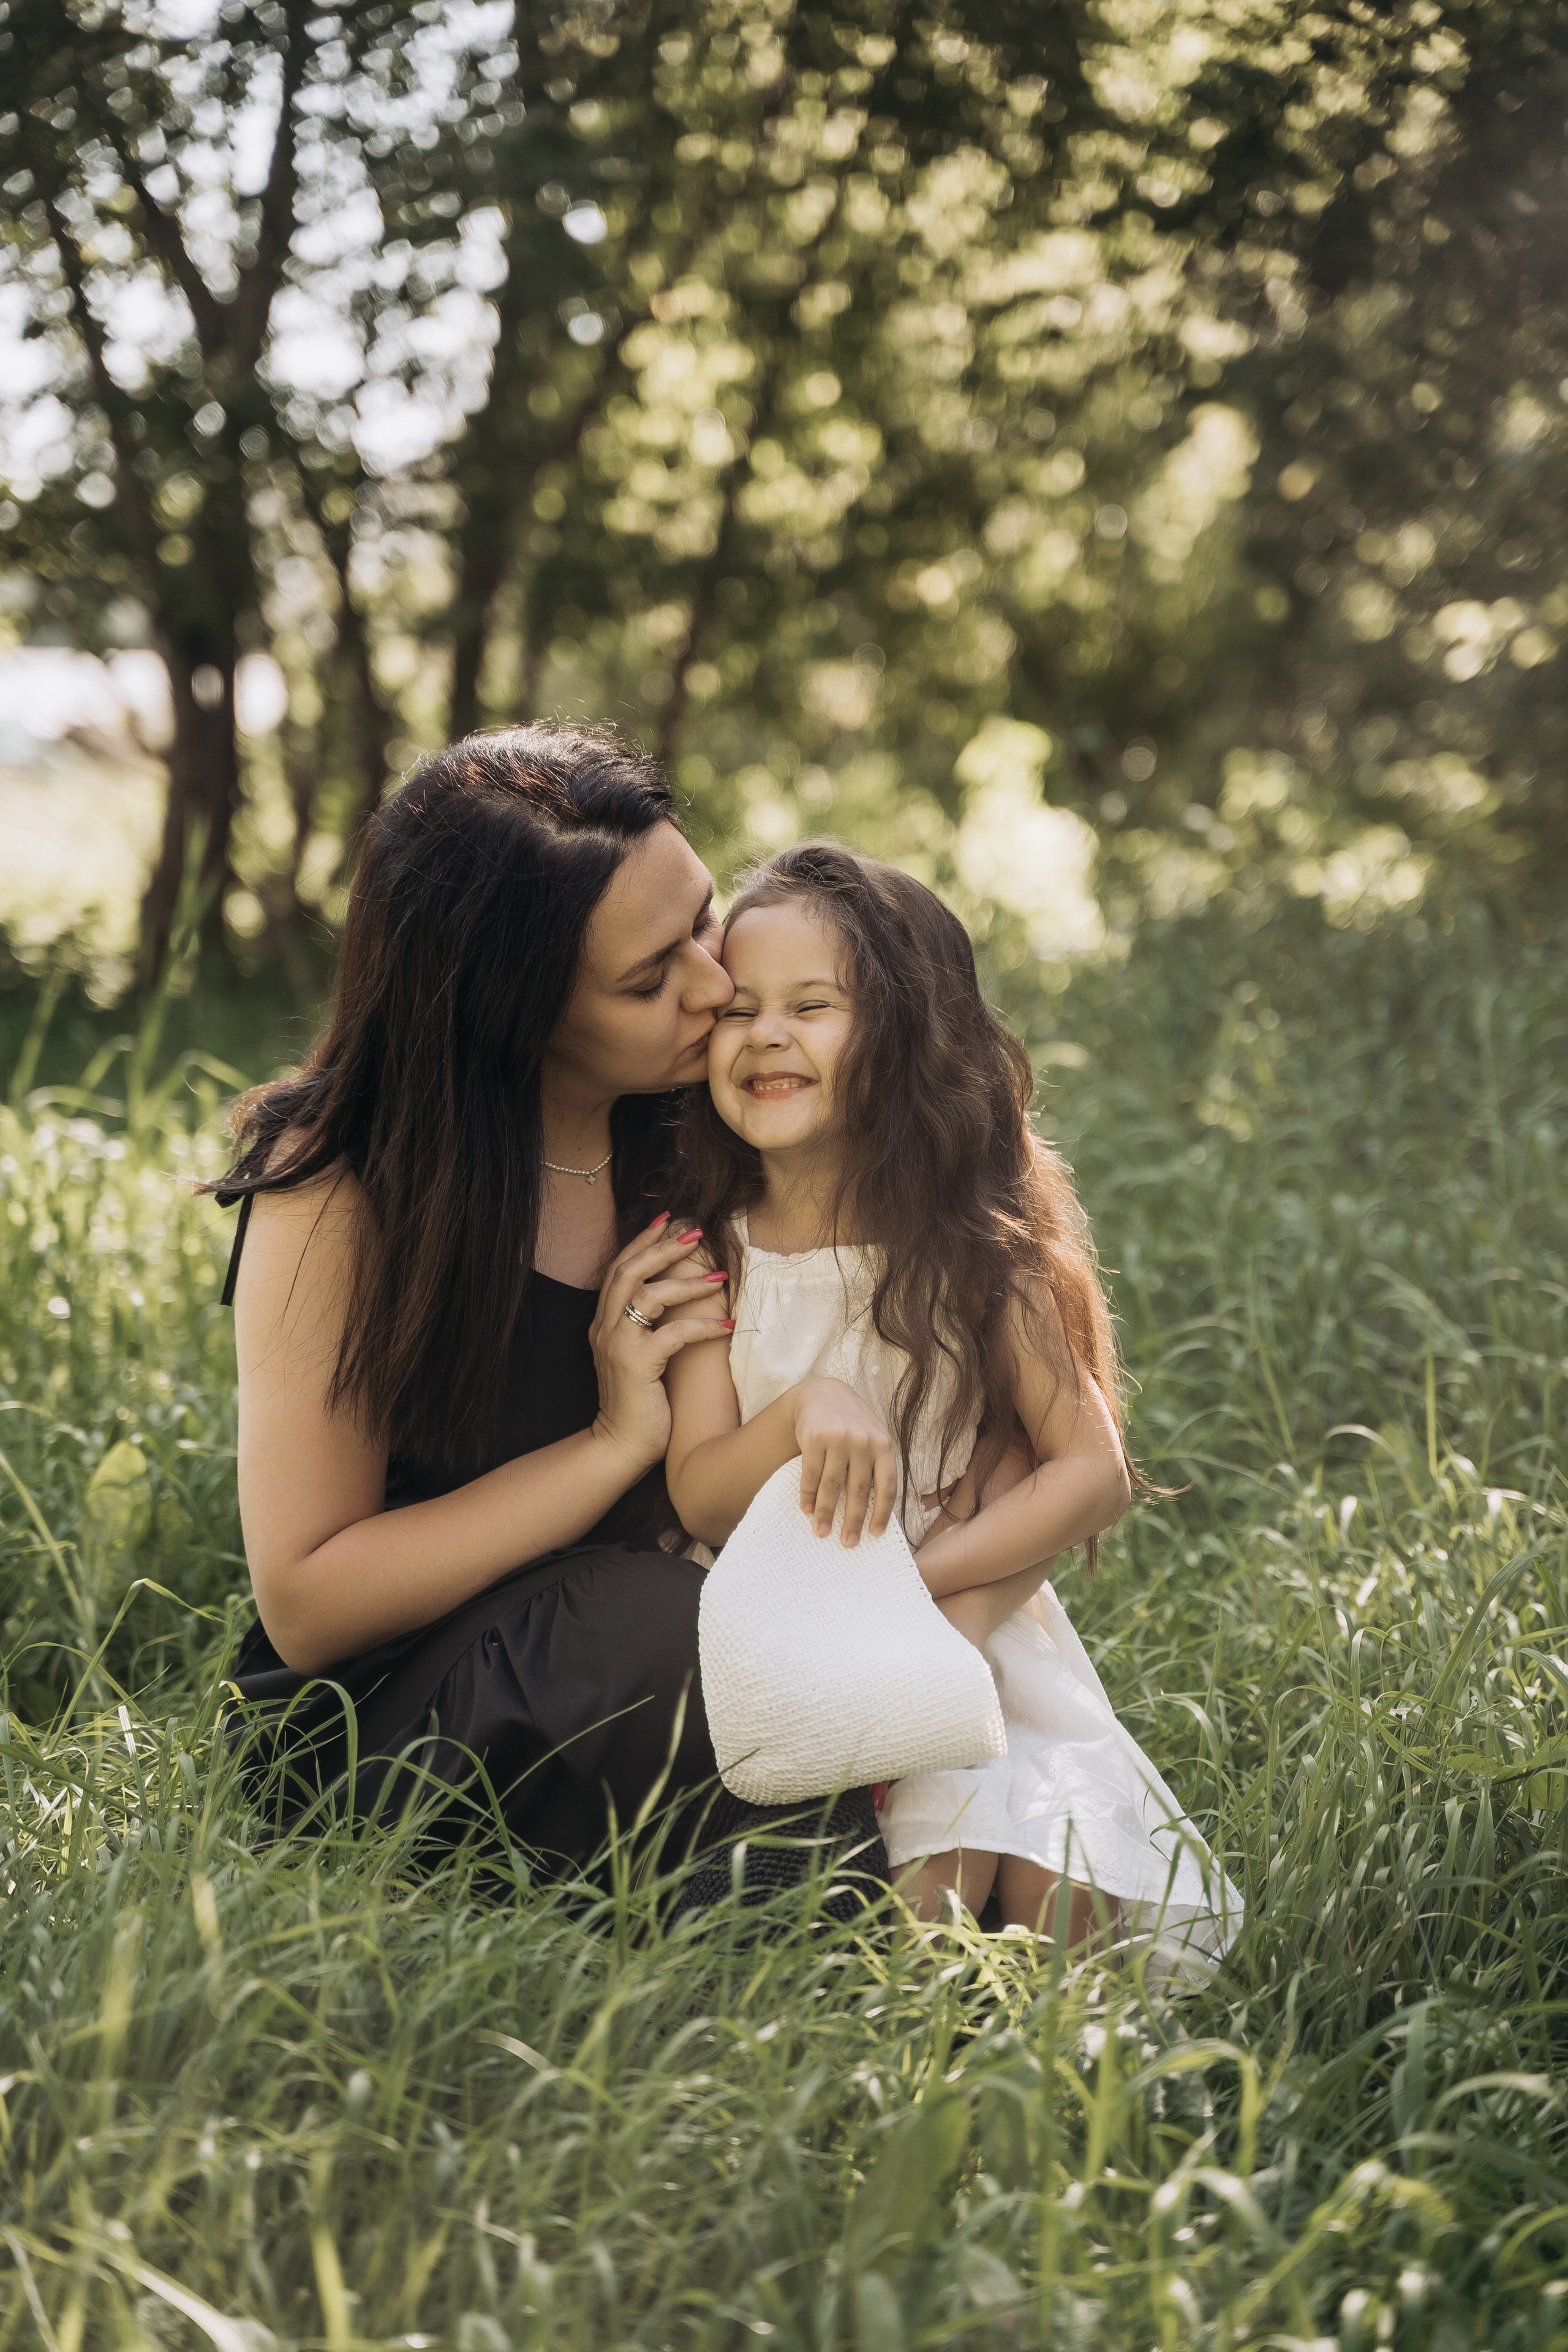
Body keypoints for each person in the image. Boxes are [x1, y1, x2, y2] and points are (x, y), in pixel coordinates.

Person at [211, 728, 888, 1891]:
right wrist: (610, 1446)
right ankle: (868, 1942)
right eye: (649, 977)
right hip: (383, 1716)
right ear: (513, 1012)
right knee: (639, 1625)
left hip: (660, 1654)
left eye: (701, 919)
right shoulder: (341, 1184)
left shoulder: (693, 1116)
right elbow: (312, 1602)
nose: (716, 987)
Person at [663, 842, 1243, 1964]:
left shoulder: (973, 1251)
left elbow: (1090, 1469)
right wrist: (802, 1415)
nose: (766, 1034)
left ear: (906, 1033)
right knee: (915, 1913)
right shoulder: (706, 1251)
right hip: (768, 1619)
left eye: (812, 1006)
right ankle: (897, 2064)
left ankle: (1050, 2095)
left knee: (1052, 1888)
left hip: (962, 1607)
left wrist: (921, 1604)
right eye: (738, 1010)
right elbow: (698, 1491)